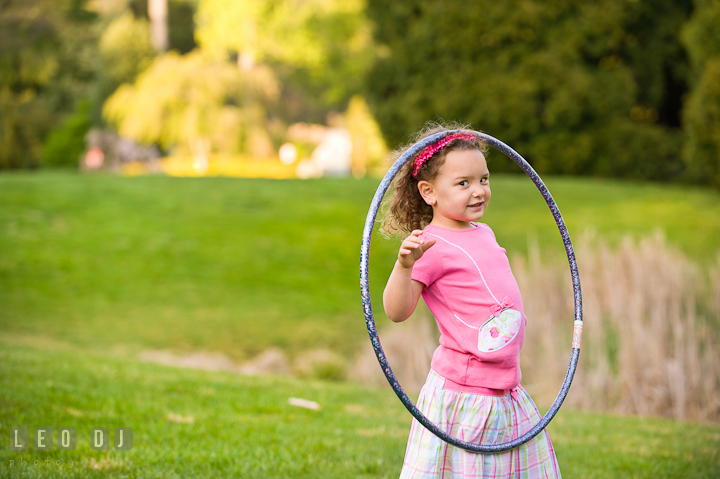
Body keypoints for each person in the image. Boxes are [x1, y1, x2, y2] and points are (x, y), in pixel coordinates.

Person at [382, 122, 562, 478]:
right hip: (464, 394)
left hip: (505, 387)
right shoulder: (429, 245)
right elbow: (396, 311)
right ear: (429, 192)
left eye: (484, 179)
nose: (479, 191)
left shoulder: (485, 232)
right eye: (463, 183)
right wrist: (405, 265)